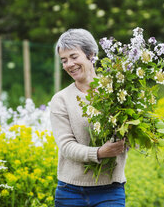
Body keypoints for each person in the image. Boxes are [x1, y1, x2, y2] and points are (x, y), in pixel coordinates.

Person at [50, 28, 127, 207]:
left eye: (74, 56)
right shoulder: (61, 100)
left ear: (91, 54)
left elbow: (131, 139)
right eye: (64, 60)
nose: (69, 64)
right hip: (70, 192)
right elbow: (66, 146)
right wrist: (100, 153)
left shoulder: (118, 93)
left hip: (110, 189)